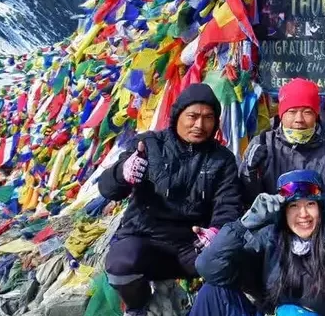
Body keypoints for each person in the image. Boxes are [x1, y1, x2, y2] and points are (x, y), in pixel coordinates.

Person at [98, 83, 243, 315]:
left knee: (233, 263)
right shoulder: (149, 145)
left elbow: (228, 204)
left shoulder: (222, 159)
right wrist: (123, 173)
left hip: (191, 245)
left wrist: (216, 231)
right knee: (119, 265)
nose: (199, 125)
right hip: (145, 239)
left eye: (208, 118)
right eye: (192, 116)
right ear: (177, 116)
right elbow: (108, 189)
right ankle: (139, 305)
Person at [190, 169, 325, 316]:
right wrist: (243, 225)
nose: (303, 214)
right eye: (294, 206)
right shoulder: (268, 240)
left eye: (310, 204)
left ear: (323, 209)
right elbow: (209, 268)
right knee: (212, 291)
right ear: (283, 212)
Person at [240, 78, 325, 215]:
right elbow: (247, 201)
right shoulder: (263, 144)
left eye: (307, 112)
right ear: (281, 115)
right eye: (292, 112)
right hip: (268, 228)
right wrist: (250, 171)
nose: (299, 119)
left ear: (316, 115)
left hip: (317, 229)